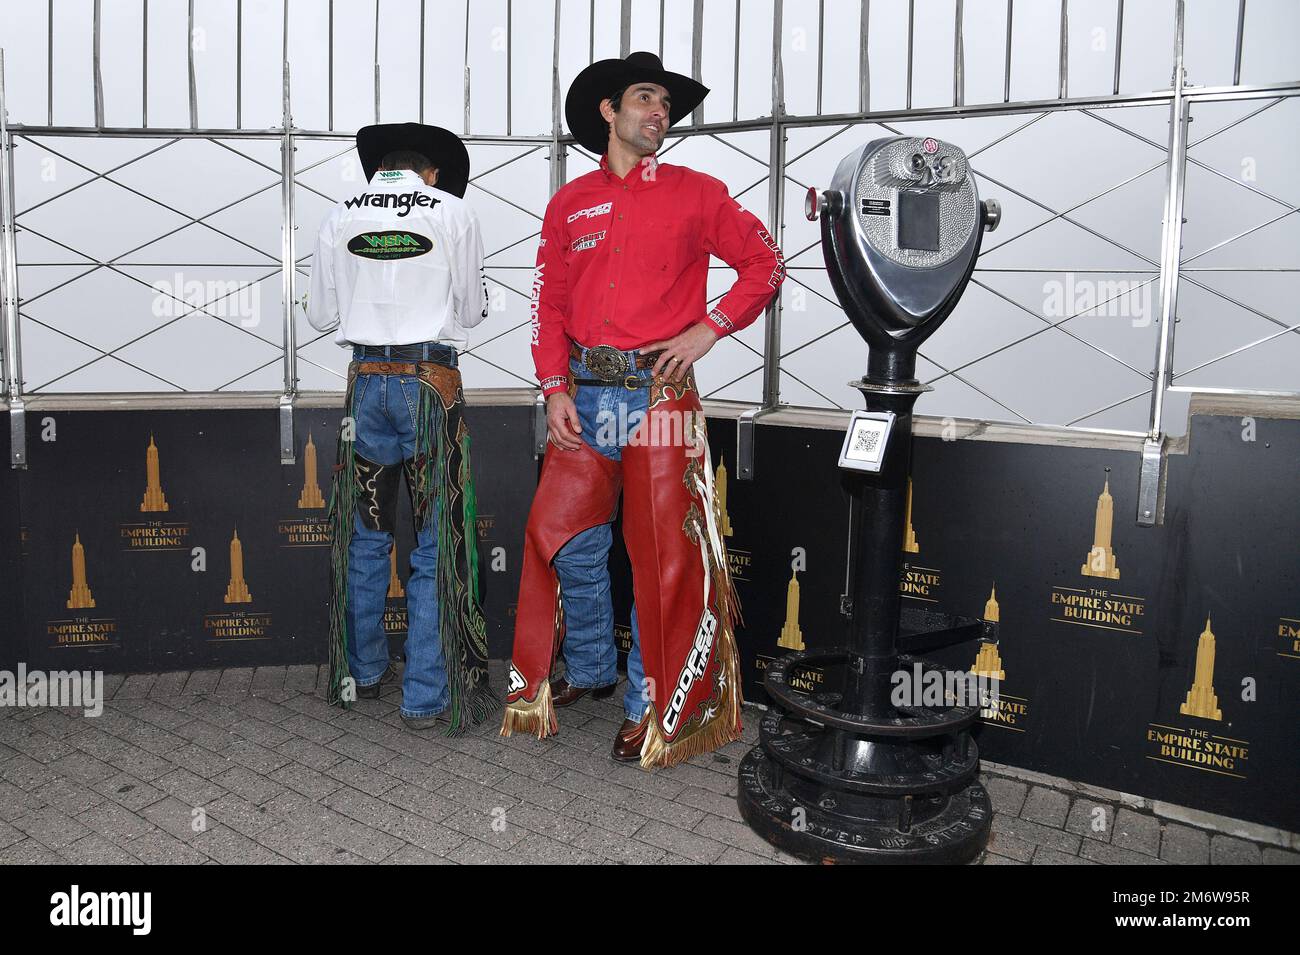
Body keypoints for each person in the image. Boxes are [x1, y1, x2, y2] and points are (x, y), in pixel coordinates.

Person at [501, 52, 785, 767]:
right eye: (645, 98)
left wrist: (708, 327)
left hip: (659, 395)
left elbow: (767, 265)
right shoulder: (569, 202)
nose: (659, 112)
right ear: (609, 110)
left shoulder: (699, 192)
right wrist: (553, 387)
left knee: (660, 555)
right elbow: (549, 304)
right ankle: (592, 667)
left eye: (666, 104)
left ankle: (650, 704)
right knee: (567, 540)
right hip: (580, 393)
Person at [307, 122, 495, 734]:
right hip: (428, 384)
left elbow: (319, 314)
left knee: (365, 536)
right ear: (431, 173)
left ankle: (359, 673)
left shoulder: (339, 215)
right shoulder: (452, 212)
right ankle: (424, 695)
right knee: (434, 541)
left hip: (365, 383)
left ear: (380, 168)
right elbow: (471, 310)